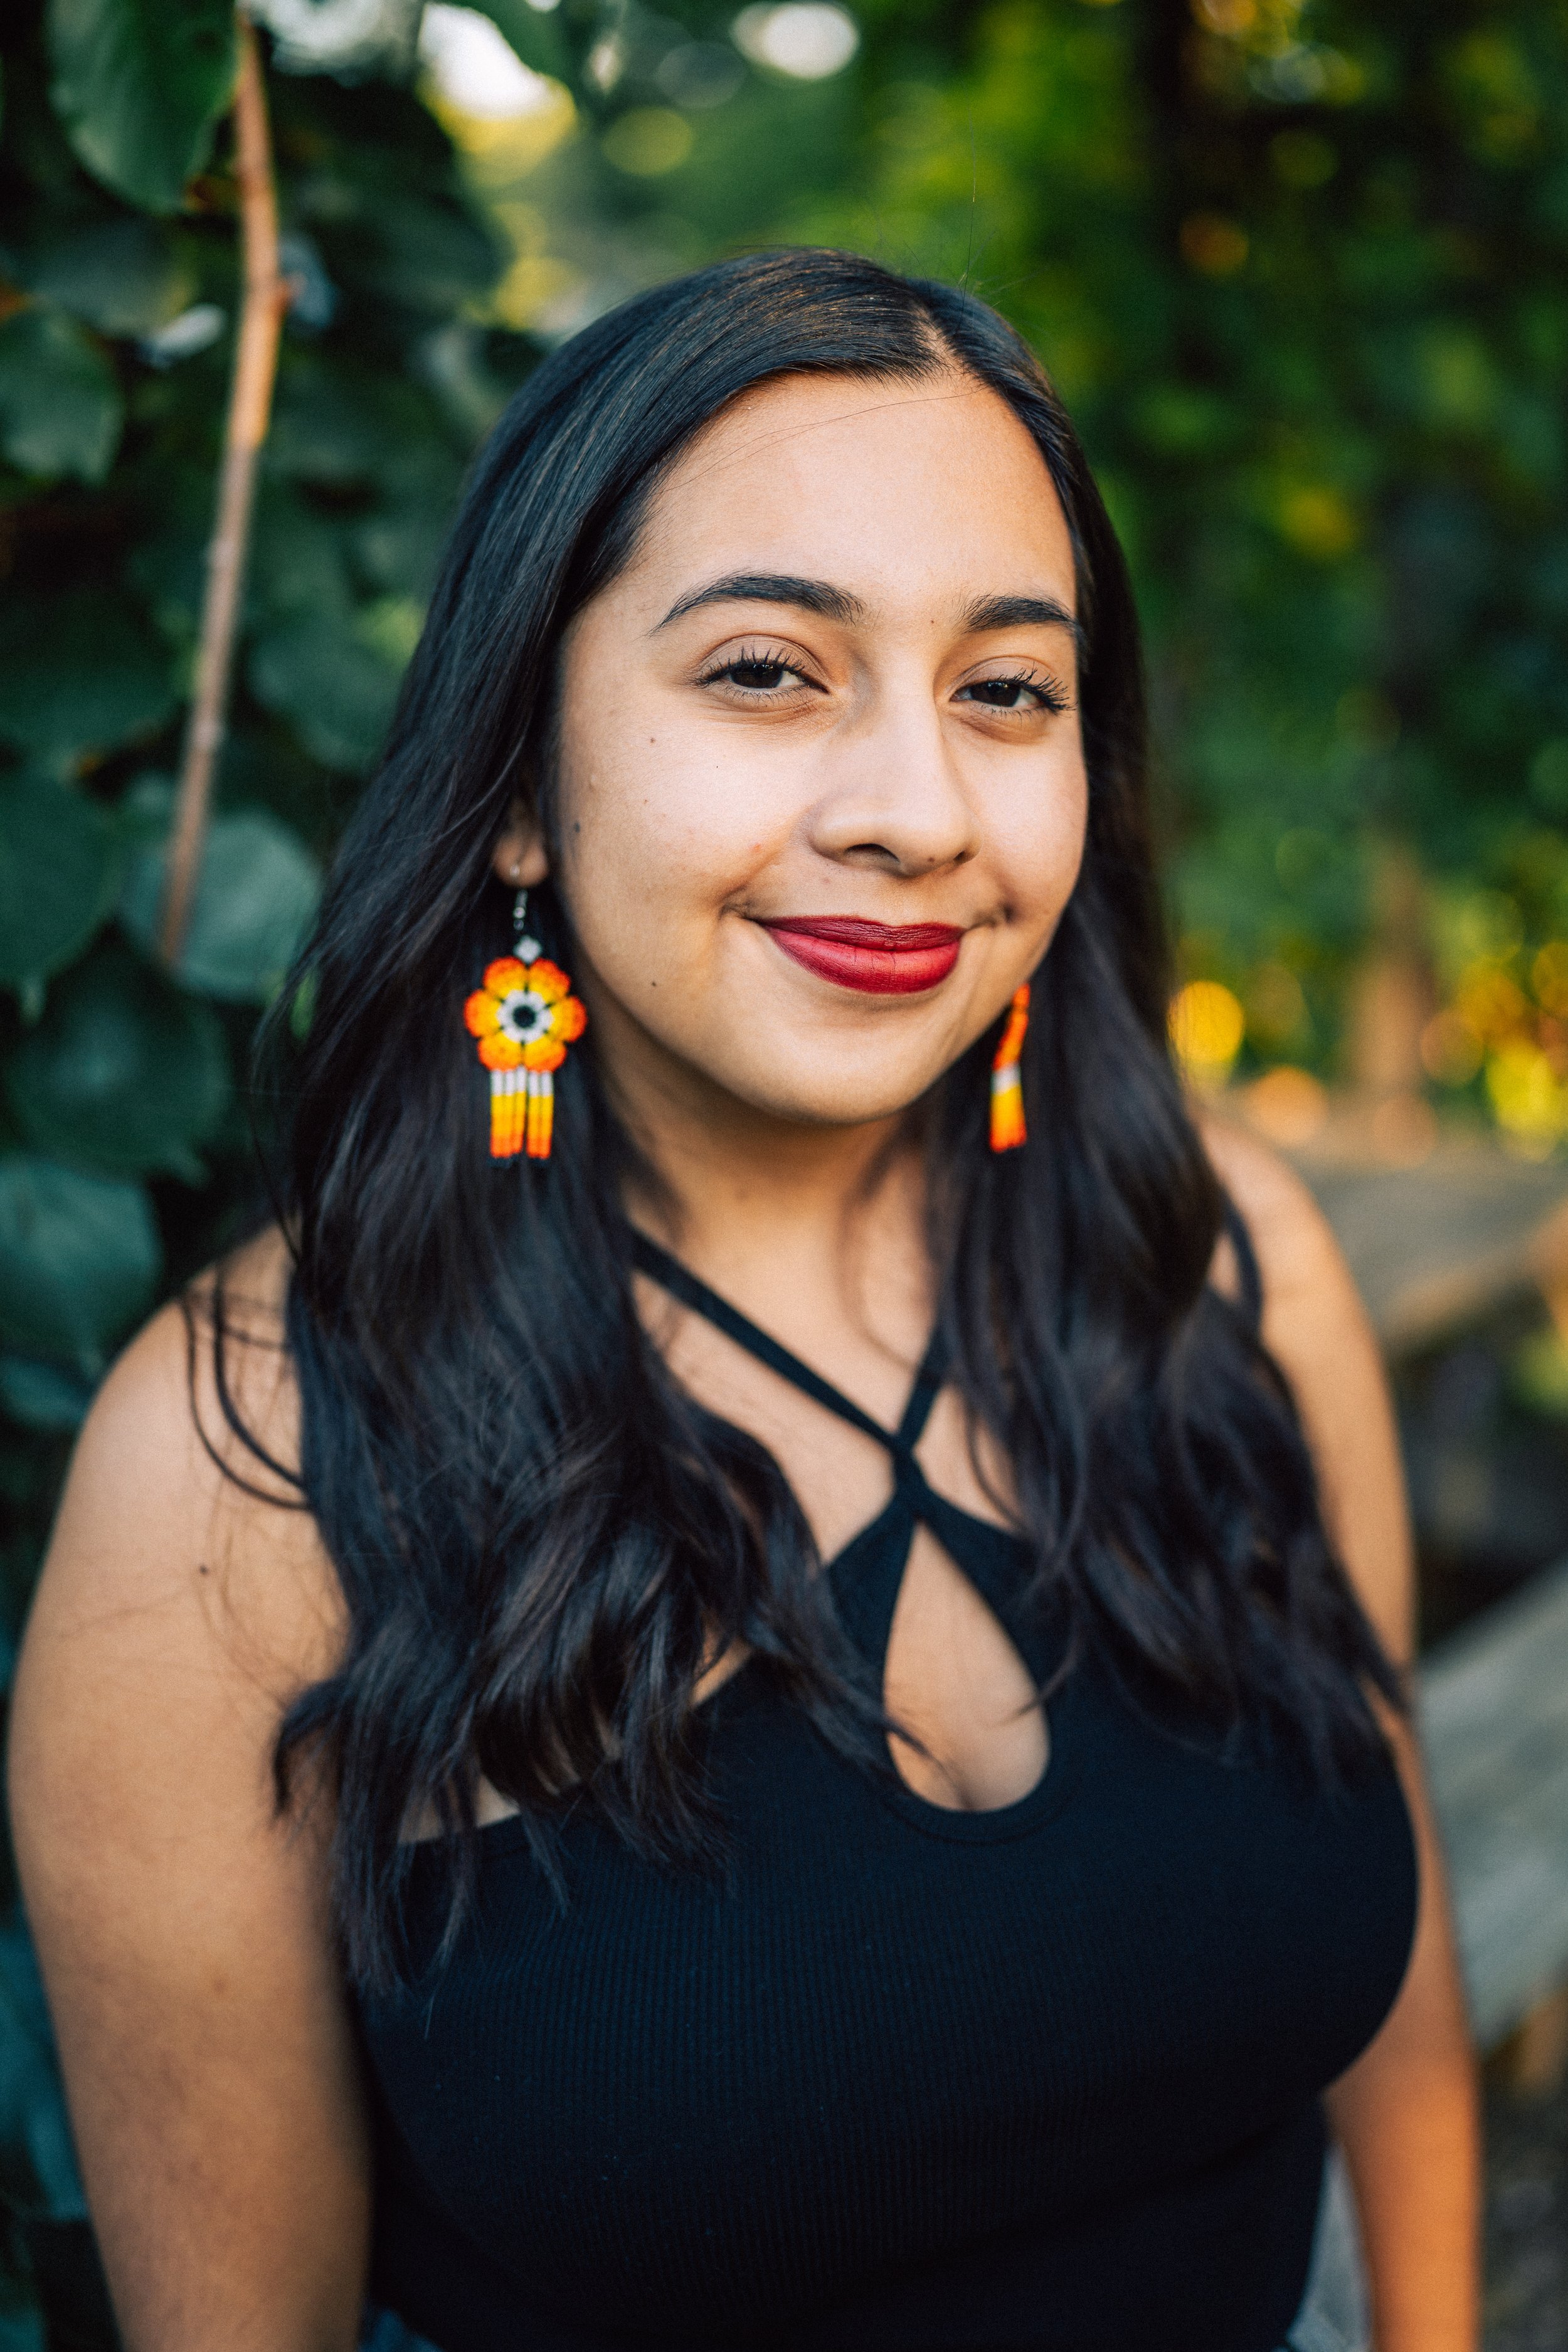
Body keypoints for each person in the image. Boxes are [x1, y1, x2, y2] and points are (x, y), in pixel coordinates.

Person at [9, 250, 1478, 2352]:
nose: (914, 810)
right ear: (519, 782)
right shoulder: (241, 1467)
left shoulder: (1219, 1268)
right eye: (771, 672)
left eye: (1007, 692)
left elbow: (1395, 2029)